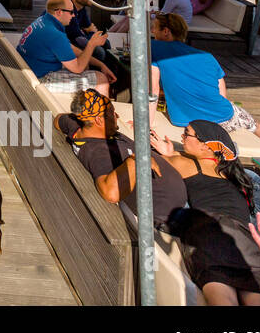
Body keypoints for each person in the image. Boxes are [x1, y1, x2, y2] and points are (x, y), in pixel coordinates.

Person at [149, 121, 260, 305]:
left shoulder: (184, 164)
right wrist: (173, 152)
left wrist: (169, 154)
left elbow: (145, 159)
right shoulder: (232, 173)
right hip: (245, 241)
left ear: (206, 146)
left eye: (186, 133)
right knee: (258, 298)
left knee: (223, 298)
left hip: (210, 232)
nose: (181, 137)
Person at [150, 12, 260, 156]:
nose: (152, 32)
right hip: (223, 118)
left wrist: (148, 123)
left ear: (166, 31)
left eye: (155, 28)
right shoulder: (207, 57)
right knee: (255, 125)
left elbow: (153, 90)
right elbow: (222, 93)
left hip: (185, 122)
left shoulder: (155, 48)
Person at [56, 89, 188, 230]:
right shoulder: (99, 152)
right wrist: (137, 161)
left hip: (182, 207)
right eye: (112, 113)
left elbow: (59, 119)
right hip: (172, 221)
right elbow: (110, 193)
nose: (117, 116)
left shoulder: (81, 128)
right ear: (99, 120)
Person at [16, 0, 116, 96]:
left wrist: (101, 65)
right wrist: (91, 44)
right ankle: (103, 110)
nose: (73, 15)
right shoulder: (55, 35)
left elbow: (74, 50)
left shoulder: (44, 21)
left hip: (30, 70)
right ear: (59, 12)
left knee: (86, 64)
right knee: (101, 80)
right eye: (71, 12)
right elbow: (77, 68)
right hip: (41, 79)